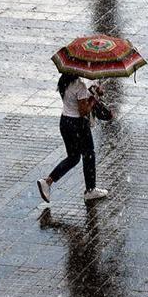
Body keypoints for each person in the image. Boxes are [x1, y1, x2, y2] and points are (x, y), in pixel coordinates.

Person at [37, 73, 108, 202]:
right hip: (78, 125)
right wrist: (93, 100)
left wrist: (93, 92)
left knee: (74, 157)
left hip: (65, 122)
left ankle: (47, 182)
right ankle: (90, 190)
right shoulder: (78, 85)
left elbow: (74, 100)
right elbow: (83, 111)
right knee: (89, 154)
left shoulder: (64, 81)